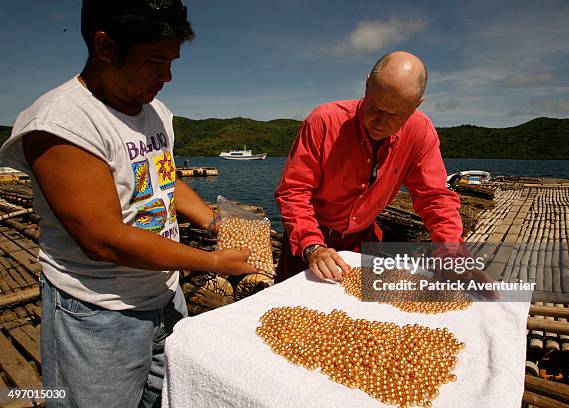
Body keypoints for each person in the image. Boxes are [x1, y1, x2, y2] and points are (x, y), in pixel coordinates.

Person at [0, 1, 254, 407]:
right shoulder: (62, 123)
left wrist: (212, 222)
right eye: (156, 60)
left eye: (172, 61)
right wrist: (214, 262)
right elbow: (103, 239)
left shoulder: (156, 111)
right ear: (105, 46)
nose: (167, 76)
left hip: (165, 296)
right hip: (99, 313)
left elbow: (162, 178)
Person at [275, 51, 464, 283]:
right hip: (310, 238)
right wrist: (312, 245)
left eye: (395, 116)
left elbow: (435, 199)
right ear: (367, 85)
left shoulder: (420, 132)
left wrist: (451, 253)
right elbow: (293, 190)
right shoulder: (323, 121)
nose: (380, 123)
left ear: (416, 105)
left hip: (362, 242)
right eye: (374, 108)